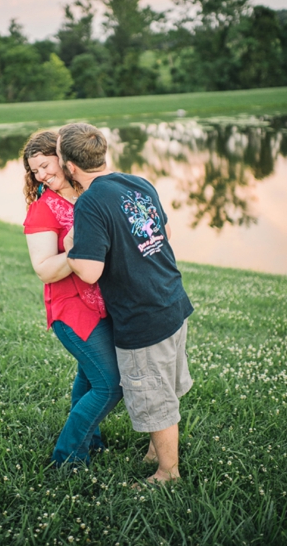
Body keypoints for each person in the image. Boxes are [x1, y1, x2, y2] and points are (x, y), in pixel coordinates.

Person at [57, 122, 194, 484]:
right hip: (172, 299)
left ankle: (168, 472)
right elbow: (161, 234)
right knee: (164, 383)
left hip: (142, 316)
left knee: (154, 396)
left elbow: (89, 271)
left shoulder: (89, 202)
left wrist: (71, 245)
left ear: (71, 167)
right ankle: (154, 449)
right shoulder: (138, 182)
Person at [21, 130, 123, 467]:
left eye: (46, 165)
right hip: (73, 312)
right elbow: (44, 270)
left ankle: (90, 440)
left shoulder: (91, 194)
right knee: (109, 385)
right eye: (35, 170)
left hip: (105, 304)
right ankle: (67, 457)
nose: (42, 175)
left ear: (67, 161)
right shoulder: (42, 210)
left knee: (90, 377)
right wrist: (76, 250)